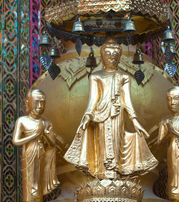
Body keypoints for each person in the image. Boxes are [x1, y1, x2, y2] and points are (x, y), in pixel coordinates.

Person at [64, 37, 158, 179]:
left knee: (116, 143)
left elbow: (127, 101)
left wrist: (135, 121)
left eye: (115, 55)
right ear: (102, 57)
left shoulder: (124, 76)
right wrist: (87, 117)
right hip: (99, 116)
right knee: (100, 144)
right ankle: (101, 176)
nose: (111, 58)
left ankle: (115, 175)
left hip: (117, 114)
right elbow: (93, 100)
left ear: (119, 57)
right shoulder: (95, 76)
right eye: (107, 54)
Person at [13, 89, 59, 202]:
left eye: (42, 103)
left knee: (38, 181)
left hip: (41, 153)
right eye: (36, 102)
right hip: (28, 153)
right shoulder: (22, 121)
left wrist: (44, 134)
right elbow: (15, 141)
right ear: (28, 103)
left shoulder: (46, 122)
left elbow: (52, 144)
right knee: (29, 181)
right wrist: (34, 135)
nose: (39, 106)